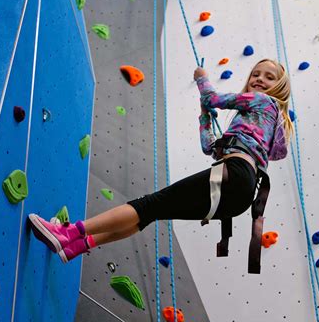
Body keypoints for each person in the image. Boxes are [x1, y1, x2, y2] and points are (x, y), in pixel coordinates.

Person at [28, 58, 293, 264]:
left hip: (233, 174)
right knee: (151, 213)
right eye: (256, 74)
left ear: (279, 88)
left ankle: (70, 232)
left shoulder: (263, 102)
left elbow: (212, 98)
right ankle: (77, 246)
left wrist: (202, 79)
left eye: (269, 77)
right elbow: (209, 148)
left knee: (149, 204)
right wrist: (204, 116)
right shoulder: (263, 127)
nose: (259, 79)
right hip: (240, 197)